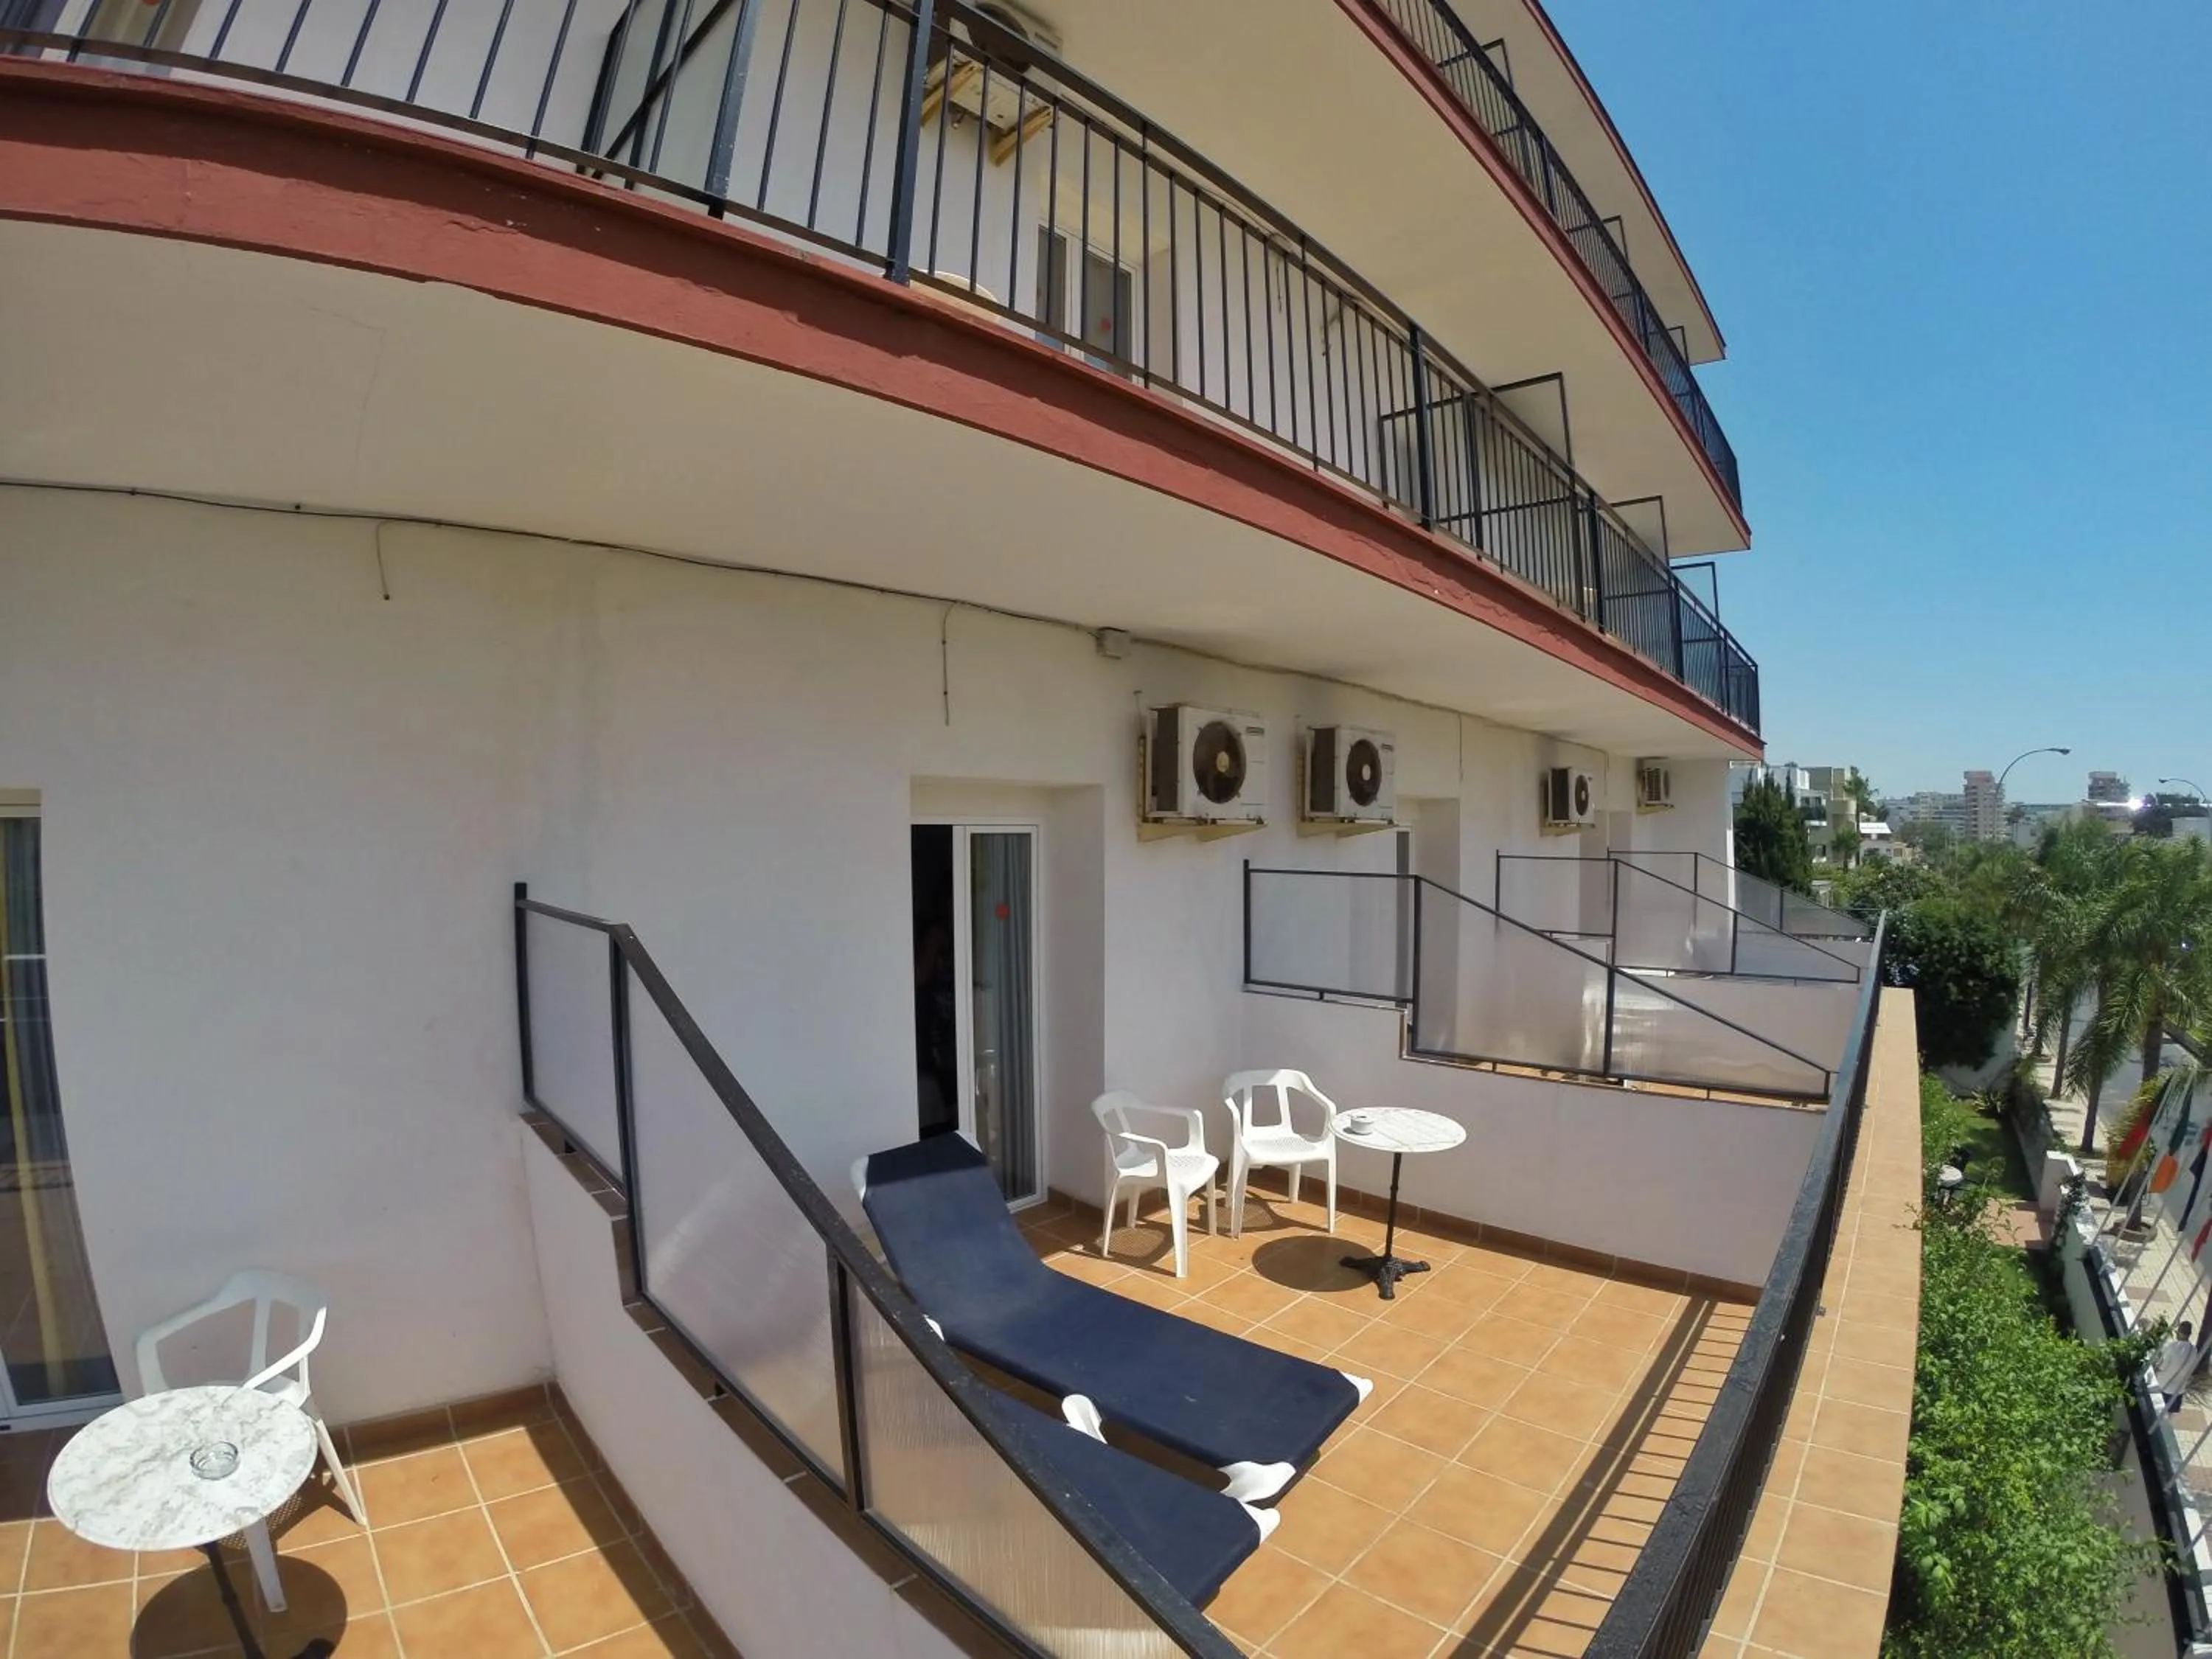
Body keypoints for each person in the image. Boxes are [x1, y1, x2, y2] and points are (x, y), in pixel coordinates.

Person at [2154, 1321, 2197, 1412]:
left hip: (2165, 1387)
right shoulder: (2194, 1350)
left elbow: (2162, 1366)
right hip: (2179, 1390)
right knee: (2170, 1415)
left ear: (2179, 1332)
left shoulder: (2173, 1346)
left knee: (2158, 1413)